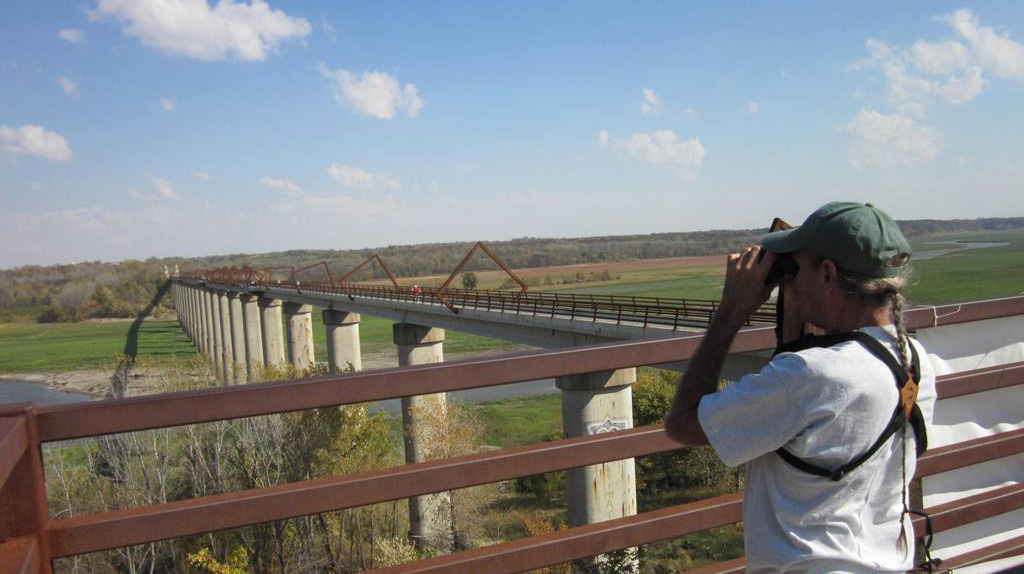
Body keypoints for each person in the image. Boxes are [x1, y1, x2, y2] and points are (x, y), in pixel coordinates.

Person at [664, 202, 936, 574]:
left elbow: (682, 422)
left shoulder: (812, 375)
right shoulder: (915, 360)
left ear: (827, 273)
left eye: (796, 269)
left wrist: (731, 311)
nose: (789, 282)